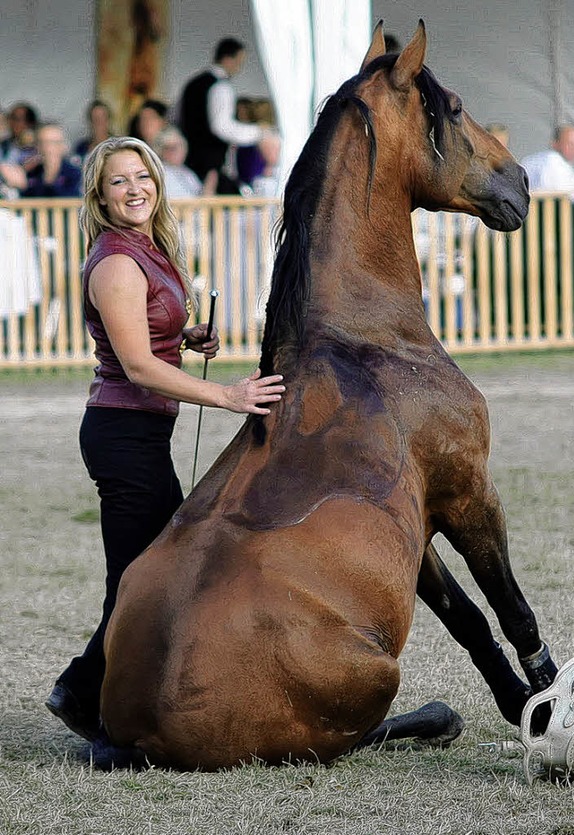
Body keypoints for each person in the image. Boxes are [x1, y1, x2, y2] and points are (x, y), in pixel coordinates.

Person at [44, 135, 285, 741]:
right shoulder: (118, 261)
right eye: (119, 180)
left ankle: (85, 691)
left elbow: (151, 342)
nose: (135, 189)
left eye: (142, 176)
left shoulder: (147, 250)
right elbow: (137, 367)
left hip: (142, 432)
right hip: (121, 433)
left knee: (145, 571)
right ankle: (86, 695)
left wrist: (186, 338)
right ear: (100, 195)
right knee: (139, 576)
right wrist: (229, 395)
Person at [177, 37, 274, 194]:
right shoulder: (221, 87)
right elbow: (222, 127)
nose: (239, 68)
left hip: (188, 162)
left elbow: (178, 118)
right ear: (229, 59)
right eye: (239, 62)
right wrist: (259, 132)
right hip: (211, 167)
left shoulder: (192, 84)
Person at [520, 124, 574, 193]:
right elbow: (563, 190)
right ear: (555, 144)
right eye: (570, 144)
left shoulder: (542, 159)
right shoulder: (552, 159)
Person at [19, 122, 83, 198]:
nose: (47, 148)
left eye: (53, 143)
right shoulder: (32, 173)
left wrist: (51, 176)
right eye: (42, 143)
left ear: (63, 146)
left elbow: (71, 201)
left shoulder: (75, 173)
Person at [152, 125, 217, 197]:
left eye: (178, 146)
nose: (174, 152)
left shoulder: (187, 173)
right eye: (168, 148)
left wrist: (209, 186)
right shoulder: (163, 173)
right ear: (160, 151)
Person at [0, 102, 39, 166]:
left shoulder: (37, 149)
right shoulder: (6, 144)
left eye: (15, 119)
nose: (10, 122)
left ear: (29, 124)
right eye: (9, 118)